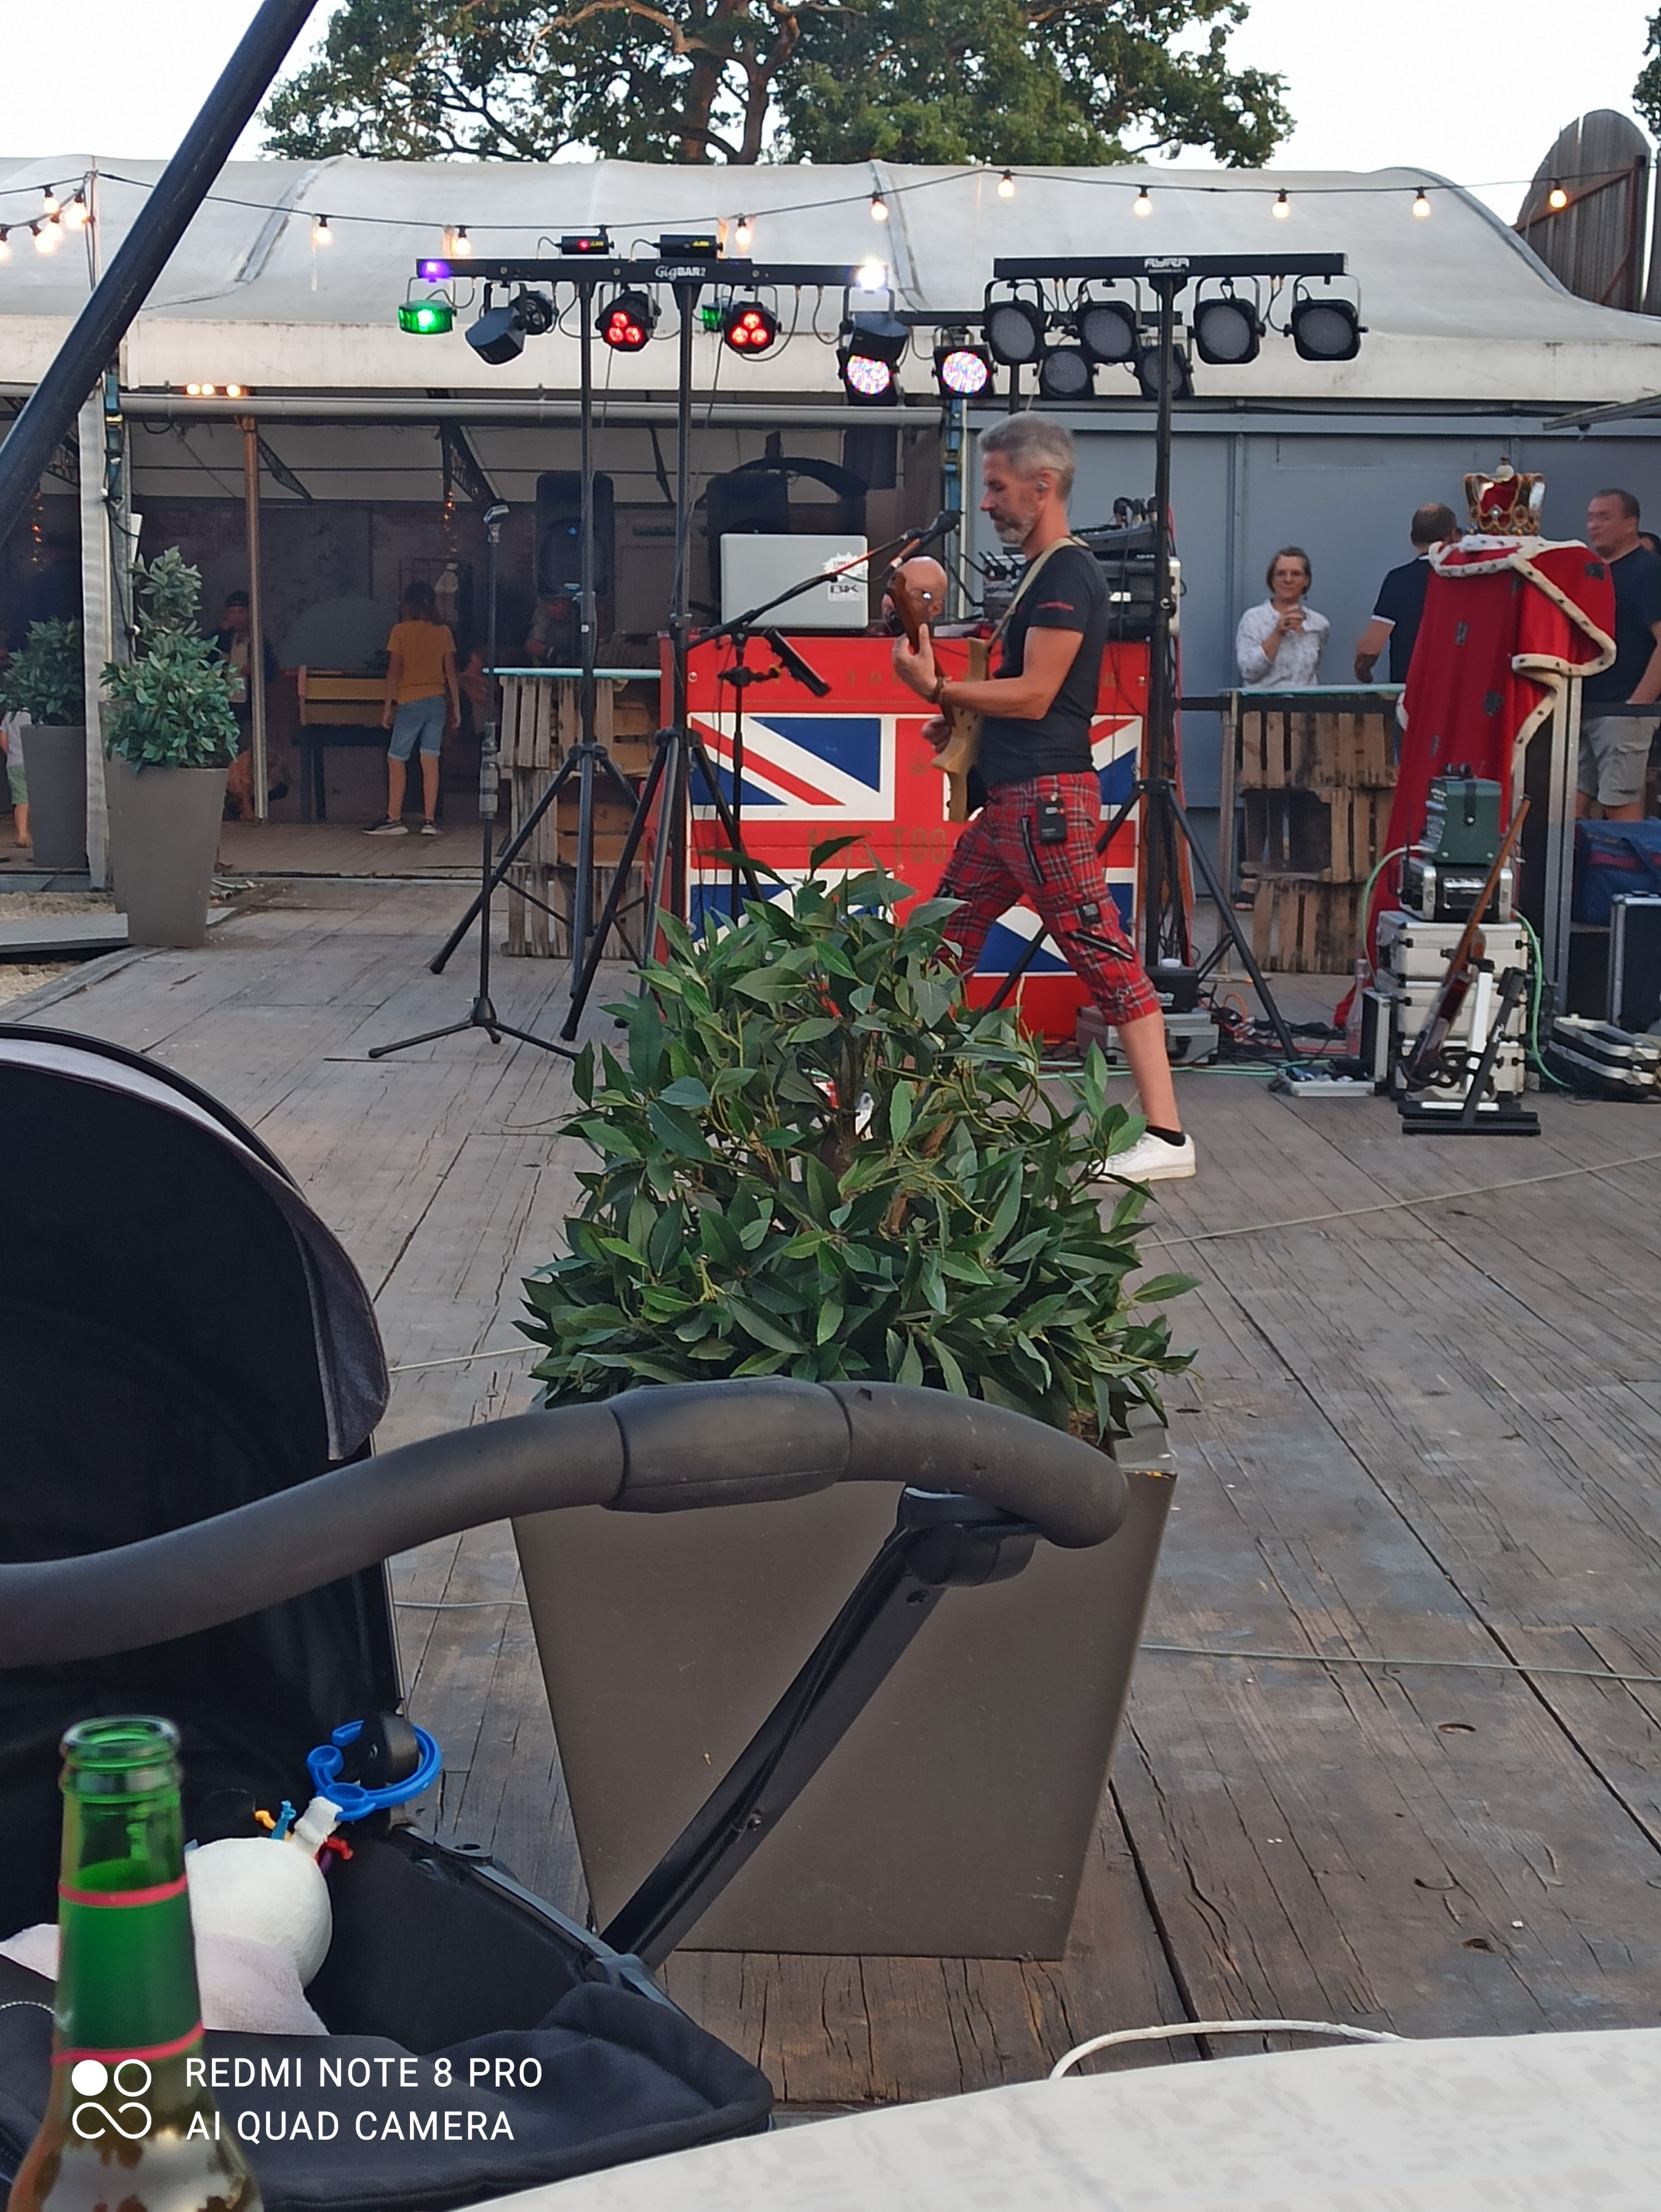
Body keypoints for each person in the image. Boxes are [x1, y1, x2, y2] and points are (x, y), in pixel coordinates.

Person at [890, 413, 1194, 1184]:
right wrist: (963, 715)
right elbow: (1022, 699)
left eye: (996, 486)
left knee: (1102, 956)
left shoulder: (1065, 573)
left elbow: (1035, 695)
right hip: (1017, 804)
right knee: (941, 940)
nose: (986, 501)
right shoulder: (1043, 573)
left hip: (1044, 803)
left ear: (1042, 485)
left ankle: (1166, 1134)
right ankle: (897, 1103)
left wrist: (940, 687)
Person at [1579, 489, 1661, 822]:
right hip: (1585, 707)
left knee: (1619, 805)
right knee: (1568, 803)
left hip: (1623, 709)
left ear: (1631, 524)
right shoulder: (1593, 572)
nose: (1594, 525)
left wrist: (1637, 706)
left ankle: (1631, 859)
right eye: (1591, 517)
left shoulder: (1648, 571)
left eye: (1604, 517)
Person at [368, 580, 459, 836]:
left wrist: (388, 706)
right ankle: (430, 821)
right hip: (437, 700)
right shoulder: (443, 633)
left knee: (396, 758)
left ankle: (394, 817)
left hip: (411, 700)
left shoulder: (400, 631)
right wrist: (457, 706)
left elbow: (394, 672)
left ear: (407, 605)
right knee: (430, 759)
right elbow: (451, 672)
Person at [1353, 503, 1459, 683]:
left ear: (1412, 539)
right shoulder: (1467, 579)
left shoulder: (1398, 580)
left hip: (1410, 689)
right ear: (1454, 536)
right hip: (1456, 688)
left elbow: (1371, 647)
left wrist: (1363, 672)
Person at [212, 591, 283, 822]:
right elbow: (204, 654)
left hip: (249, 705)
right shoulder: (224, 639)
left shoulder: (259, 641)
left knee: (246, 758)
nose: (237, 616)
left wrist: (256, 669)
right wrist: (220, 631)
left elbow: (272, 672)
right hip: (226, 705)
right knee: (226, 756)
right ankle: (233, 803)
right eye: (232, 612)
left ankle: (249, 803)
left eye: (241, 611)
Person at [1235, 549, 1329, 686]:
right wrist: (1278, 633)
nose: (1288, 580)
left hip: (1305, 700)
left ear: (1306, 581)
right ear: (1272, 580)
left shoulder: (1319, 624)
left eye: (1296, 574)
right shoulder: (1254, 619)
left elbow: (1315, 672)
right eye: (1281, 574)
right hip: (1264, 700)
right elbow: (1249, 672)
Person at [1, 712, 27, 857]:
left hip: (15, 762)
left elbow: (3, 738)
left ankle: (22, 835)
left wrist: (10, 754)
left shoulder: (10, 715)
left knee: (21, 799)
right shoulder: (38, 712)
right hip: (38, 760)